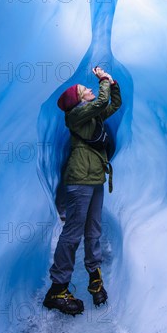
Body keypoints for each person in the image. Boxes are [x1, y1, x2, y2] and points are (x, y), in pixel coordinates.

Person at [43, 66, 122, 315]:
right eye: (83, 90)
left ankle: (94, 277)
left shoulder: (91, 116)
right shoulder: (75, 116)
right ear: (77, 100)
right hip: (80, 180)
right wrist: (102, 80)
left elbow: (112, 105)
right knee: (73, 233)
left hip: (95, 177)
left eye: (86, 87)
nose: (87, 89)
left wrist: (113, 83)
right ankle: (58, 288)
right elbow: (100, 101)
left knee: (94, 230)